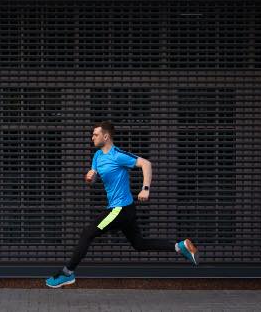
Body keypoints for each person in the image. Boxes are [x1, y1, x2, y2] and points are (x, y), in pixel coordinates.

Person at [46, 121, 199, 288]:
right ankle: (180, 247)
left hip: (120, 209)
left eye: (95, 135)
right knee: (139, 244)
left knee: (87, 233)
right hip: (126, 210)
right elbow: (95, 177)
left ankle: (67, 273)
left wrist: (145, 188)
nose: (92, 137)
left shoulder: (117, 155)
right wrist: (90, 177)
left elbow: (146, 164)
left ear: (106, 136)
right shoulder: (97, 156)